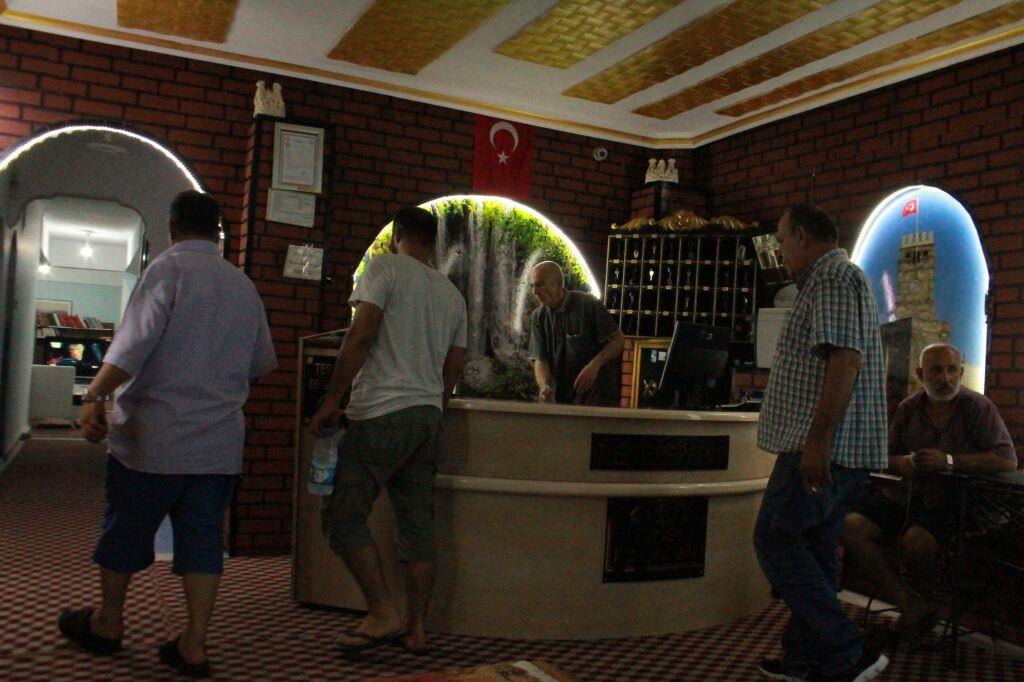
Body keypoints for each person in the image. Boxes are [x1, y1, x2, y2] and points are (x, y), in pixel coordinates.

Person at [57, 190, 277, 679]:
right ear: (218, 232)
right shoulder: (243, 285)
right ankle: (194, 644)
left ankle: (109, 623)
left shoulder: (166, 271)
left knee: (125, 531)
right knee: (201, 542)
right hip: (217, 445)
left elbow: (131, 347)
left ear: (172, 228)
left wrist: (94, 396)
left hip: (152, 441)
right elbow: (262, 361)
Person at [310, 206, 467, 655]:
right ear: (432, 243)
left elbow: (360, 336)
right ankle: (416, 628)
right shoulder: (452, 295)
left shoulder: (384, 268)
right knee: (416, 526)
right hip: (427, 416)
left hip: (382, 411)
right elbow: (453, 367)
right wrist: (433, 410)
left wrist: (332, 399)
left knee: (341, 516)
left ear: (397, 235)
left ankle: (382, 612)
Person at [754, 203, 889, 682]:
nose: (780, 250)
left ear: (803, 236)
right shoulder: (834, 278)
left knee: (775, 538)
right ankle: (809, 660)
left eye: (781, 239)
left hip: (823, 447)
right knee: (814, 549)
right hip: (836, 448)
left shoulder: (831, 277)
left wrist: (817, 445)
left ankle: (849, 648)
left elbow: (844, 361)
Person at [843, 342, 1016, 647]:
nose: (945, 378)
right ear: (921, 374)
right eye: (936, 370)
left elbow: (1006, 460)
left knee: (916, 540)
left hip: (958, 501)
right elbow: (885, 456)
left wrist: (949, 461)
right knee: (850, 526)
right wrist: (902, 463)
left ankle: (918, 610)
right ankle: (912, 606)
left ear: (961, 372)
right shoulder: (908, 408)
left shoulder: (977, 407)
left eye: (951, 370)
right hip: (909, 496)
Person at [528, 261, 624, 406]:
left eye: (540, 284)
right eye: (533, 286)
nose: (535, 292)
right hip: (564, 398)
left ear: (559, 284)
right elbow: (540, 359)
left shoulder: (588, 304)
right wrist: (544, 386)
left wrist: (594, 366)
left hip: (598, 395)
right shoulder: (538, 316)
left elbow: (618, 339)